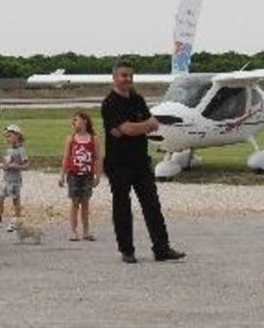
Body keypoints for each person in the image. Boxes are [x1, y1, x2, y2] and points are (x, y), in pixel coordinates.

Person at [101, 61, 185, 264]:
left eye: (130, 75)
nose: (127, 79)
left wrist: (135, 127)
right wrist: (140, 127)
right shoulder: (110, 103)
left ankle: (162, 249)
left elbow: (152, 124)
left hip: (140, 161)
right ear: (114, 77)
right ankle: (127, 251)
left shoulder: (138, 99)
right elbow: (129, 129)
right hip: (119, 164)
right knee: (122, 207)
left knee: (152, 205)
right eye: (123, 75)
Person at [58, 111, 100, 242]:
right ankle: (73, 231)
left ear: (85, 121)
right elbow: (66, 158)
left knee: (85, 203)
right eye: (73, 120)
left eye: (76, 119)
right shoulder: (71, 138)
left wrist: (97, 176)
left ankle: (86, 231)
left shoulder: (94, 139)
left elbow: (98, 159)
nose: (74, 122)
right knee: (75, 203)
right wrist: (62, 175)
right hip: (73, 174)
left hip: (87, 175)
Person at [0, 124, 28, 228]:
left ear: (17, 136)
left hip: (15, 180)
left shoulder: (21, 150)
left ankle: (18, 219)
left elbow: (26, 164)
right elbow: (6, 162)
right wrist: (3, 165)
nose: (7, 139)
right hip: (6, 179)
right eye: (6, 137)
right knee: (0, 197)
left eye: (9, 136)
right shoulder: (9, 150)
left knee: (15, 200)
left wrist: (15, 166)